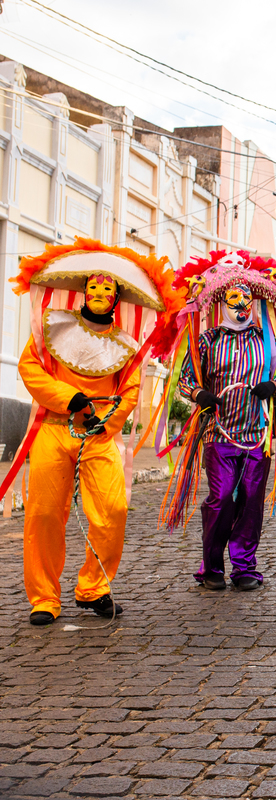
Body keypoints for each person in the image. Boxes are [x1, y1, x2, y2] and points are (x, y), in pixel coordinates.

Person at [2, 239, 183, 625]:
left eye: (108, 288)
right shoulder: (53, 329)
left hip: (100, 435)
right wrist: (71, 399)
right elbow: (30, 370)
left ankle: (93, 587)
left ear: (116, 298)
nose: (100, 293)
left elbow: (132, 388)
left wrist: (111, 419)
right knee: (45, 513)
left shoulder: (125, 345)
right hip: (54, 428)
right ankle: (44, 598)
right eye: (94, 287)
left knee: (112, 510)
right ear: (83, 292)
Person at [155, 250, 276, 592]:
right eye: (233, 296)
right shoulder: (206, 341)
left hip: (258, 436)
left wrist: (274, 385)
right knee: (222, 500)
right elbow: (185, 382)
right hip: (218, 435)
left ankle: (245, 567)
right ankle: (211, 567)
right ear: (221, 302)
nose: (241, 303)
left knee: (251, 501)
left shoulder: (270, 341)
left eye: (246, 297)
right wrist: (200, 396)